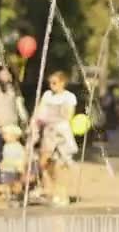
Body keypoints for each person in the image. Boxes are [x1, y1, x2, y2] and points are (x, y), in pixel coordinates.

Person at [34, 71, 78, 207]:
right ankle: (50, 192)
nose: (52, 85)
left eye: (55, 83)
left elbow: (68, 115)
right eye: (50, 83)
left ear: (62, 82)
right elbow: (40, 112)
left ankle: (62, 195)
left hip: (61, 134)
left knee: (61, 165)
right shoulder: (47, 95)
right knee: (45, 164)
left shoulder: (69, 97)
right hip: (48, 133)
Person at [0, 125, 25, 206]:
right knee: (7, 184)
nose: (3, 137)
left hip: (15, 169)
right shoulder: (6, 146)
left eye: (6, 134)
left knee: (16, 184)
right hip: (6, 168)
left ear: (14, 136)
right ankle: (9, 197)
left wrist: (21, 166)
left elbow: (22, 157)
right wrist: (2, 163)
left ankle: (19, 196)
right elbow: (5, 156)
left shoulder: (18, 147)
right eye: (3, 135)